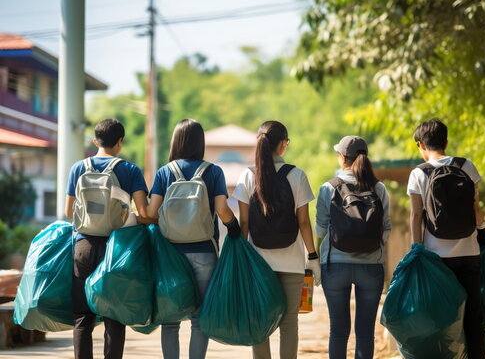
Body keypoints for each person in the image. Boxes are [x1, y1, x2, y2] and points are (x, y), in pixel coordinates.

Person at [143, 118, 240, 359]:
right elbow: (222, 209)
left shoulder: (165, 172)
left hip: (170, 254)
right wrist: (234, 227)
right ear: (200, 142)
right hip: (204, 251)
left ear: (176, 141)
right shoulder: (213, 171)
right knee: (199, 319)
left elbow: (152, 213)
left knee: (170, 319)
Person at [232, 120, 320, 359]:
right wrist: (312, 256)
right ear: (283, 144)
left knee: (260, 320)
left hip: (258, 263)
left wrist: (241, 257)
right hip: (291, 261)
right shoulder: (297, 175)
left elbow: (245, 223)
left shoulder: (247, 176)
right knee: (289, 323)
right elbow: (303, 222)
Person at [65, 118, 149, 359]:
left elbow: (69, 211)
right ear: (120, 142)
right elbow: (144, 213)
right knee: (114, 316)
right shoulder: (130, 170)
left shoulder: (78, 168)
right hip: (117, 249)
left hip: (84, 246)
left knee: (83, 318)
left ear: (95, 141)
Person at [407, 118, 485, 359]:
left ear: (421, 145)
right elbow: (476, 207)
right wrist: (482, 232)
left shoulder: (418, 173)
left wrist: (416, 249)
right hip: (469, 252)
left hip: (436, 257)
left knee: (440, 318)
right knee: (473, 316)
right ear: (446, 142)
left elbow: (415, 215)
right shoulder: (466, 166)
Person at [315, 135, 391, 359]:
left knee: (338, 331)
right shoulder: (378, 188)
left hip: (335, 266)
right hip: (371, 266)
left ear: (342, 158)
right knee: (366, 332)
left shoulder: (329, 187)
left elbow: (320, 230)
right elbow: (386, 230)